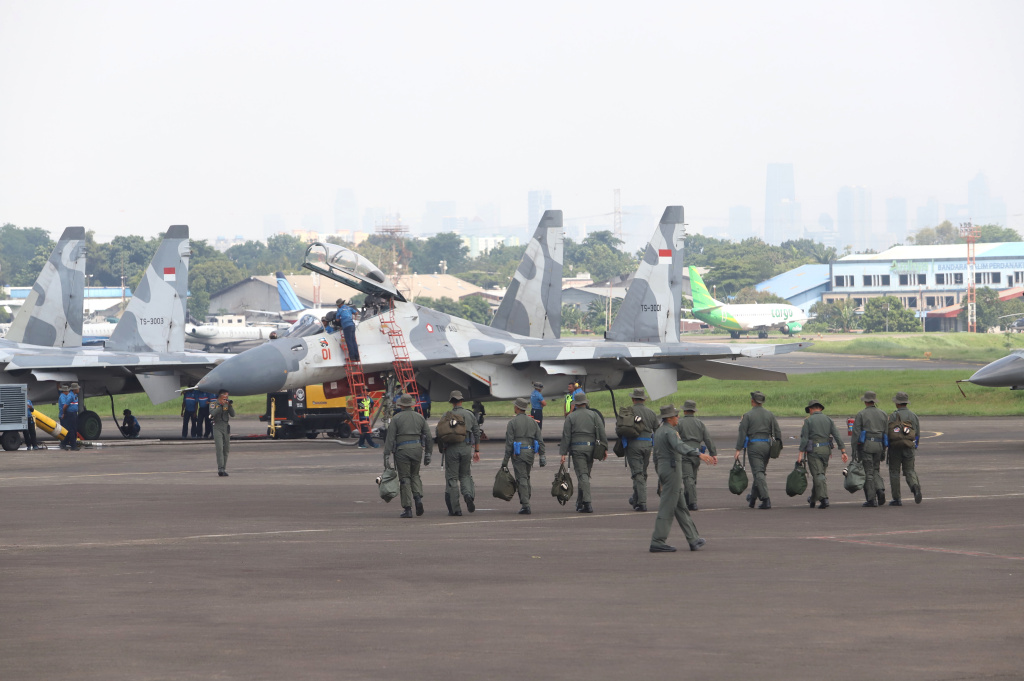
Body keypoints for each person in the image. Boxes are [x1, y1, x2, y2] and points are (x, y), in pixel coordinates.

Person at [649, 404, 706, 553]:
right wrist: (698, 454)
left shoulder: (659, 431)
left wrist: (661, 475)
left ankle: (693, 539)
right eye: (675, 415)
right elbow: (679, 446)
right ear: (669, 418)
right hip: (672, 470)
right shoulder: (670, 432)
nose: (678, 417)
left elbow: (655, 456)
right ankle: (658, 541)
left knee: (681, 507)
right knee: (667, 508)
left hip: (665, 470)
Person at [383, 393, 433, 518]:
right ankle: (418, 498)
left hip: (402, 451)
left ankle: (408, 508)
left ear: (401, 405)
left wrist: (386, 455)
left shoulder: (396, 418)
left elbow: (390, 438)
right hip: (417, 449)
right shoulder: (420, 417)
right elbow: (429, 437)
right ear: (411, 404)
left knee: (405, 478)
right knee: (415, 475)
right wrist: (428, 453)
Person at [558, 392, 606, 514]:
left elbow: (566, 436)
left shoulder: (571, 417)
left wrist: (563, 453)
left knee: (582, 476)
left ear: (576, 404)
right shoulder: (594, 415)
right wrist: (604, 448)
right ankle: (580, 503)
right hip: (591, 449)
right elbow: (601, 432)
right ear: (585, 403)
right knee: (584, 475)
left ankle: (587, 503)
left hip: (577, 450)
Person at [797, 399, 848, 509]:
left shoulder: (808, 421)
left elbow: (804, 439)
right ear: (820, 408)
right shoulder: (828, 420)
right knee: (820, 475)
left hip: (814, 452)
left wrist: (800, 454)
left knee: (818, 476)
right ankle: (813, 499)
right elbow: (837, 436)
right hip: (826, 451)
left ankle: (824, 499)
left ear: (811, 409)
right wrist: (843, 451)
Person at [734, 390, 780, 510]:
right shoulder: (770, 414)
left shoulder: (748, 415)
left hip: (754, 446)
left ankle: (766, 499)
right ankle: (752, 499)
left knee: (758, 473)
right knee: (759, 472)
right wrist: (777, 446)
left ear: (752, 401)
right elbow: (777, 431)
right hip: (767, 446)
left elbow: (742, 432)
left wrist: (738, 449)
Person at [438, 390, 480, 516]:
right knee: (465, 475)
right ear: (461, 400)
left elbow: (439, 433)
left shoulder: (446, 415)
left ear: (452, 402)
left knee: (452, 479)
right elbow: (477, 432)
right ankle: (468, 495)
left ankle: (456, 509)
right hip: (466, 448)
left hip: (451, 449)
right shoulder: (469, 414)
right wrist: (476, 450)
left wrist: (442, 449)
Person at [503, 396, 545, 514]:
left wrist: (505, 461)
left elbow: (509, 443)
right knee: (526, 477)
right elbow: (540, 440)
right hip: (530, 453)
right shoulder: (533, 422)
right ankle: (526, 497)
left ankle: (526, 504)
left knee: (521, 478)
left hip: (518, 453)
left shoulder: (512, 423)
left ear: (517, 408)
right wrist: (542, 456)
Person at [676, 399, 718, 511]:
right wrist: (713, 453)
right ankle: (688, 498)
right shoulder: (700, 423)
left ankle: (692, 502)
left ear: (684, 411)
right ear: (694, 411)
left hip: (685, 452)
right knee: (692, 478)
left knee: (688, 478)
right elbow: (708, 439)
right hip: (698, 453)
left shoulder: (679, 423)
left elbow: (674, 438)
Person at [622, 388, 657, 512]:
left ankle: (642, 502)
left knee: (637, 474)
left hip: (634, 445)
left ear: (633, 399)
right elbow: (657, 430)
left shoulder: (628, 411)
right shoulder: (651, 413)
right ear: (644, 399)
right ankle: (636, 498)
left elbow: (620, 429)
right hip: (648, 446)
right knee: (642, 473)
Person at [852, 390, 888, 507]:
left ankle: (871, 499)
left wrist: (854, 451)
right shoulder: (883, 414)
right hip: (879, 446)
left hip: (866, 446)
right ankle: (880, 489)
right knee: (876, 470)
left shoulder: (861, 414)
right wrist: (884, 449)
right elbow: (886, 433)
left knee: (868, 472)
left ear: (866, 401)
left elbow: (856, 433)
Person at [887, 391, 923, 506]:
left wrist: (888, 445)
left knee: (894, 472)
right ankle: (915, 486)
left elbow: (888, 432)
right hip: (909, 447)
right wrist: (914, 445)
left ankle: (897, 498)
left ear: (897, 403)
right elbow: (917, 433)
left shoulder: (893, 415)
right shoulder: (913, 416)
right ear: (906, 403)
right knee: (910, 470)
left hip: (895, 448)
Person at [210, 389, 235, 477]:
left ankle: (223, 468)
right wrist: (220, 406)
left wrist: (230, 406)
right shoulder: (214, 404)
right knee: (219, 447)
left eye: (227, 397)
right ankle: (220, 468)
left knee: (226, 449)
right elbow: (212, 413)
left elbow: (233, 414)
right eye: (225, 396)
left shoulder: (227, 404)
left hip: (226, 427)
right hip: (217, 427)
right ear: (221, 396)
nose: (227, 398)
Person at [58, 383, 81, 451]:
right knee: (71, 430)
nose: (78, 389)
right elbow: (64, 406)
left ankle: (65, 444)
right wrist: (64, 413)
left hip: (73, 414)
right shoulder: (70, 396)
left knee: (71, 430)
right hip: (70, 414)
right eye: (77, 388)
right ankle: (72, 445)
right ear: (75, 389)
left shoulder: (74, 395)